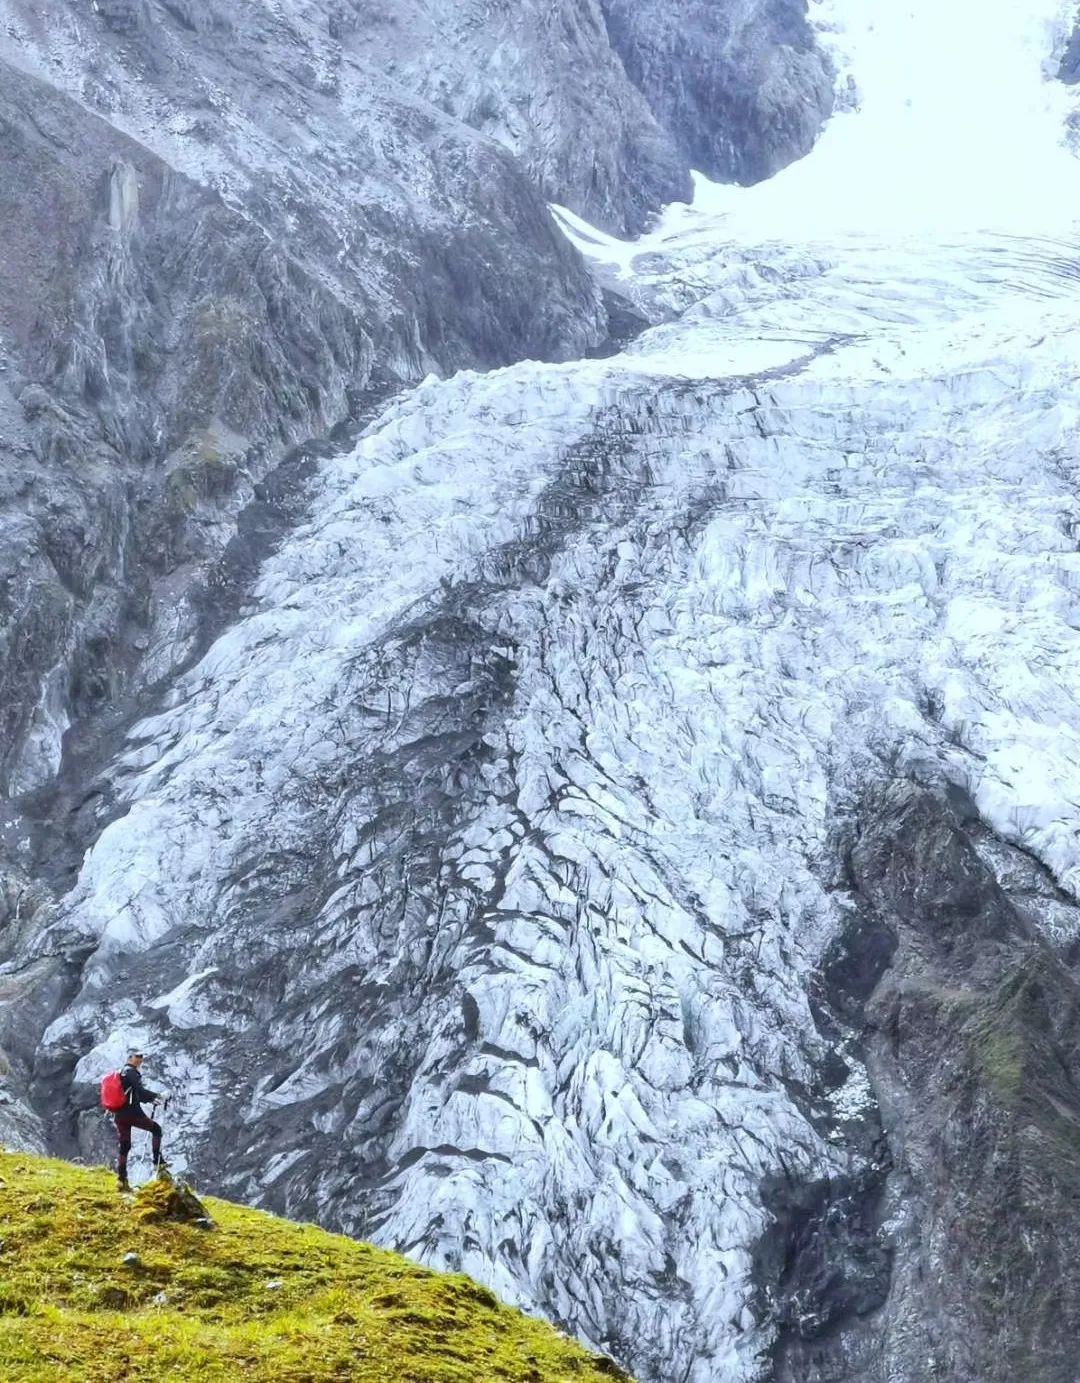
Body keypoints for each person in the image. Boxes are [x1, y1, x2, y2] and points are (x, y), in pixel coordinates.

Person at [114, 1051, 167, 1190]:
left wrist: (151, 1100)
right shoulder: (131, 1072)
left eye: (141, 1057)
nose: (140, 1059)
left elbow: (136, 1094)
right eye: (137, 1056)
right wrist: (158, 1096)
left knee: (124, 1145)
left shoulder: (121, 1073)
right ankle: (158, 1162)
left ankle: (121, 1179)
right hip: (132, 1113)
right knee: (156, 1129)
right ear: (130, 1058)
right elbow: (140, 1091)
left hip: (119, 1114)